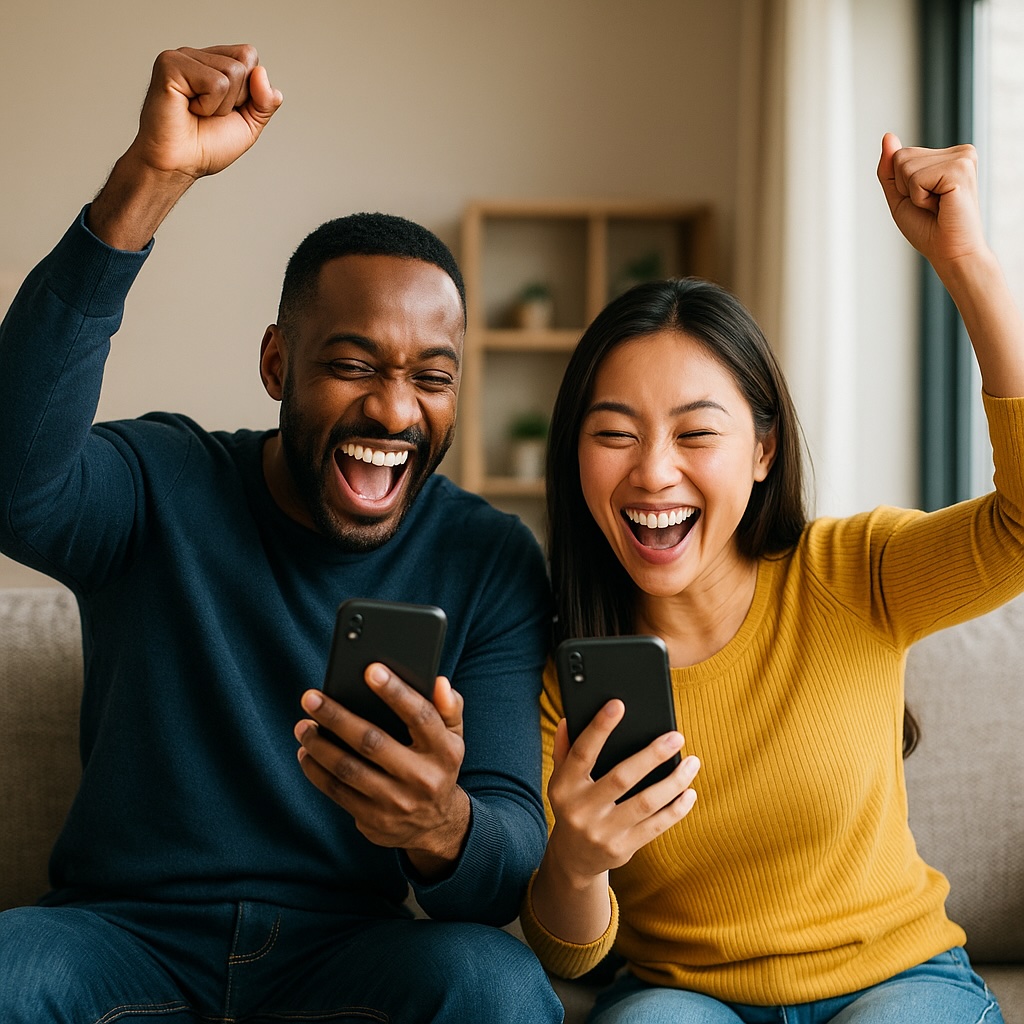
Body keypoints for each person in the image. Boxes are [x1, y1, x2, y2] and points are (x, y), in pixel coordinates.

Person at [0, 44, 563, 1023]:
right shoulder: (159, 485)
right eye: (354, 365)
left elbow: (503, 860)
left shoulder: (488, 556)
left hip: (348, 953)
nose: (395, 410)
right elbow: (13, 481)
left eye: (431, 377)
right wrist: (149, 182)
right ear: (276, 363)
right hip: (124, 936)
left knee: (498, 986)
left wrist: (441, 824)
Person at [519, 134, 1024, 1024]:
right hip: (683, 997)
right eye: (616, 432)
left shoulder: (856, 571)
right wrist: (578, 859)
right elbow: (569, 951)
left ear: (763, 451)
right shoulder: (568, 669)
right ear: (575, 459)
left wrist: (968, 262)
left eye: (695, 432)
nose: (653, 473)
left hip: (897, 983)